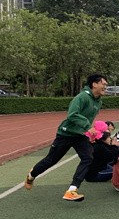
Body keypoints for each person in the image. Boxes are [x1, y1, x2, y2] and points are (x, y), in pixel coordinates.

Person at [24, 73, 108, 202]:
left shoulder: (98, 101)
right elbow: (72, 115)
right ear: (94, 84)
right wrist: (87, 126)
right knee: (51, 160)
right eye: (103, 84)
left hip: (80, 136)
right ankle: (32, 175)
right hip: (66, 134)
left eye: (106, 85)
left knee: (88, 157)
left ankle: (72, 190)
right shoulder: (82, 97)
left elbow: (88, 118)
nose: (105, 87)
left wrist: (89, 133)